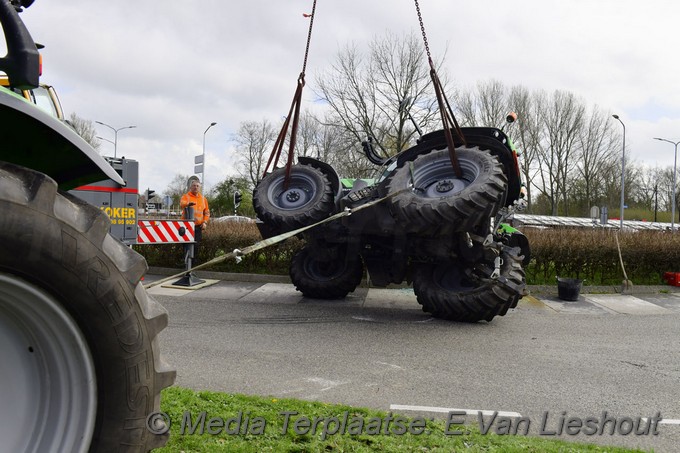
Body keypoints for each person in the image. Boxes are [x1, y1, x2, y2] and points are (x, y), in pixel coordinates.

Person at [180, 179, 210, 263]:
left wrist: (204, 222)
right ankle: (186, 263)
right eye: (194, 186)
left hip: (197, 227)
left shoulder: (203, 199)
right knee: (186, 244)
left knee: (196, 245)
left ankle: (193, 264)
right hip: (186, 226)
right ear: (190, 187)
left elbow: (207, 213)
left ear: (200, 188)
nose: (195, 187)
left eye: (197, 186)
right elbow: (182, 203)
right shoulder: (186, 196)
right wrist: (188, 204)